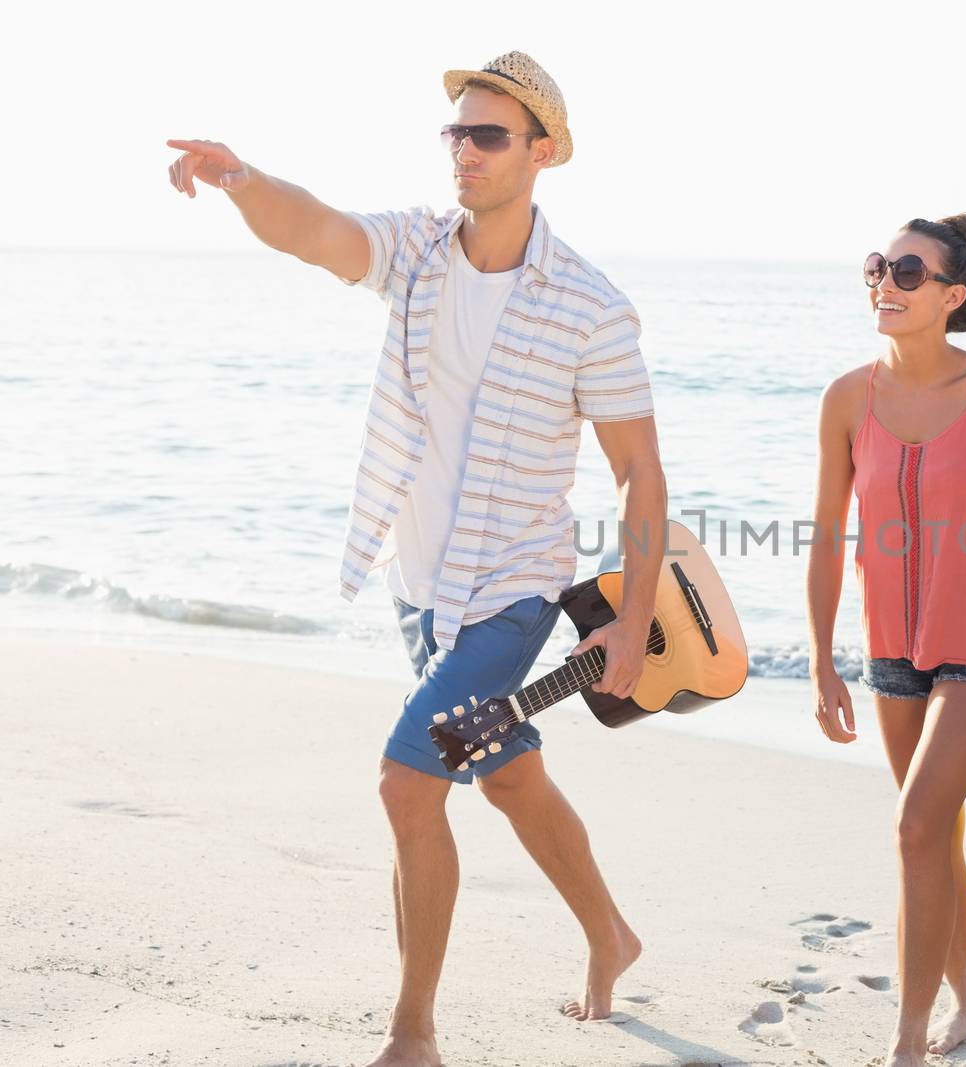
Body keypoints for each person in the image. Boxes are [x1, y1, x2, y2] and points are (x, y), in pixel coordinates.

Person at [165, 51, 667, 1067]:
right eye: (455, 132)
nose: (464, 150)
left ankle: (413, 1033)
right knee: (507, 779)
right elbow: (317, 230)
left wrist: (631, 611)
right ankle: (612, 935)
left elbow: (640, 476)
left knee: (407, 782)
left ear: (544, 152)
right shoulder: (417, 251)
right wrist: (242, 181)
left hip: (514, 588)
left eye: (488, 134)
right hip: (420, 588)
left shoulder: (591, 306)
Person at [808, 215, 966, 1066]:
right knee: (934, 833)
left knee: (916, 823)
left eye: (909, 271)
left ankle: (908, 1043)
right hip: (890, 649)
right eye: (880, 265)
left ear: (954, 295)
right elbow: (825, 538)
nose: (886, 282)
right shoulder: (847, 397)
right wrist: (819, 660)